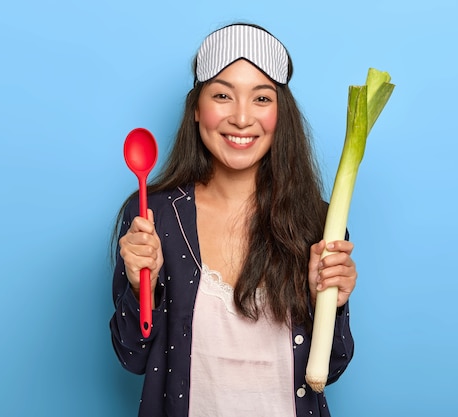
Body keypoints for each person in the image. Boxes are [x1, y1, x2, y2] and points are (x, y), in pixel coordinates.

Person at [110, 22, 357, 417]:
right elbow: (131, 356)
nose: (242, 118)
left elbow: (330, 368)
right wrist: (146, 284)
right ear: (196, 108)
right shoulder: (152, 217)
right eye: (222, 95)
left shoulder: (320, 222)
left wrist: (330, 303)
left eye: (262, 98)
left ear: (281, 114)